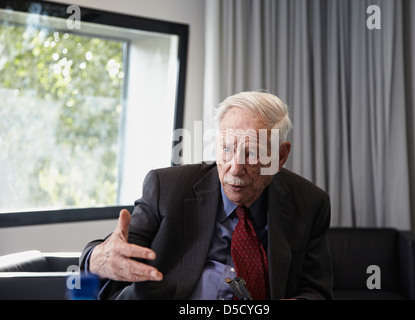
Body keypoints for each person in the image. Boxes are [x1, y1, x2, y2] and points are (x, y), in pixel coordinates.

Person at [79, 91, 333, 300]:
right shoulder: (168, 188)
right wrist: (96, 258)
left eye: (252, 153)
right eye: (226, 149)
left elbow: (316, 290)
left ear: (280, 157)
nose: (235, 168)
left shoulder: (309, 203)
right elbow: (113, 250)